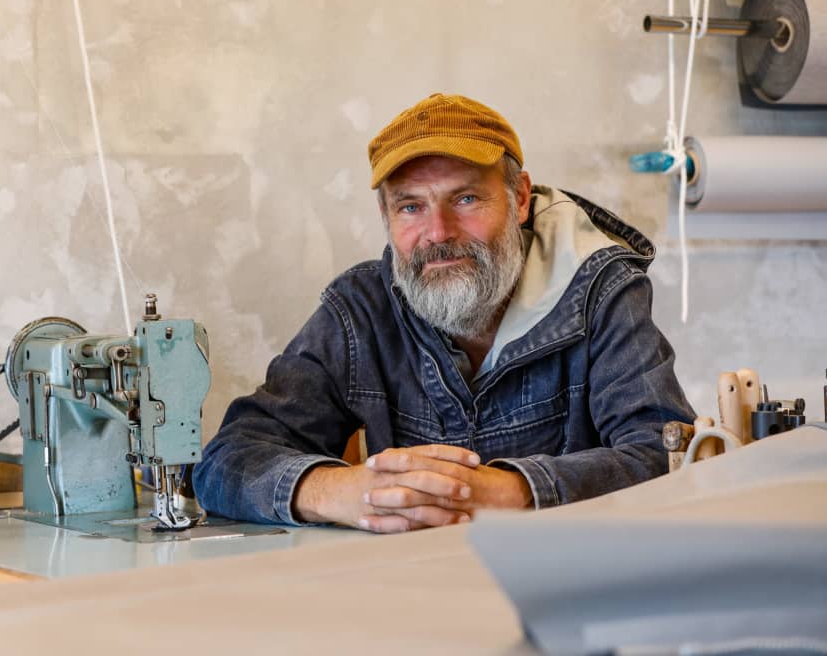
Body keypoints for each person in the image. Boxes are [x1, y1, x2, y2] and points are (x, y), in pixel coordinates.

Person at [194, 93, 694, 533]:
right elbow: (227, 461)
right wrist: (345, 491)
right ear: (386, 217)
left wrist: (510, 491)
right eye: (410, 207)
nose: (437, 232)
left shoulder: (601, 290)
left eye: (467, 198)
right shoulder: (360, 308)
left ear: (519, 199)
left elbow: (666, 455)